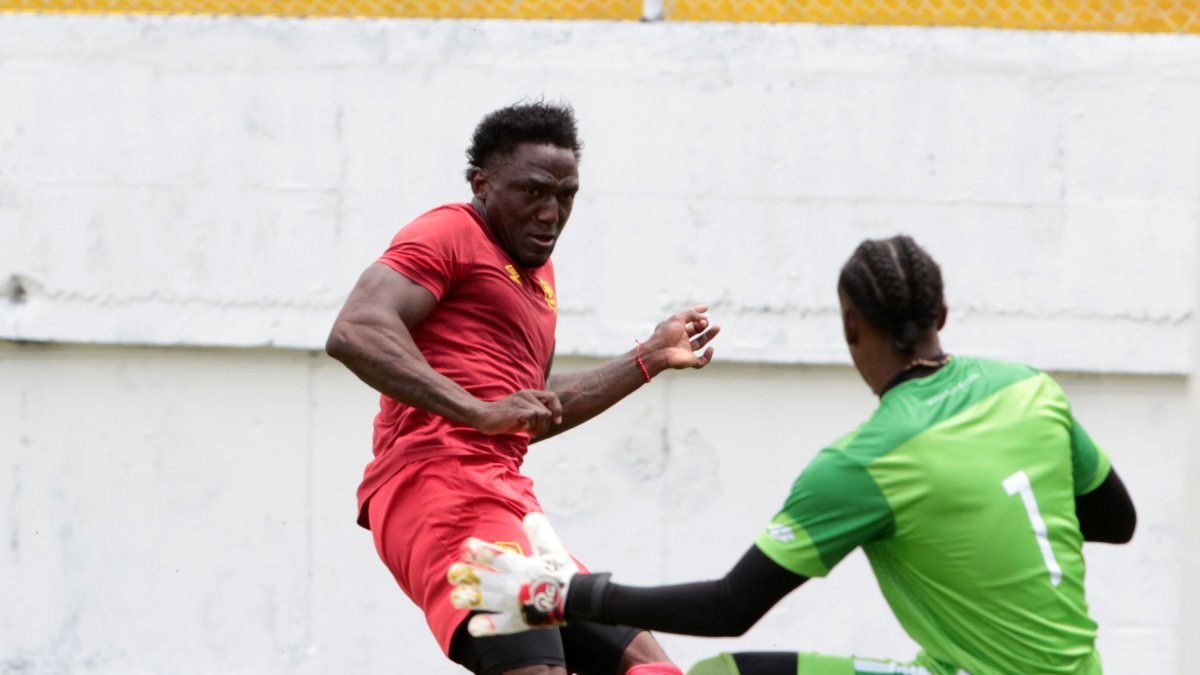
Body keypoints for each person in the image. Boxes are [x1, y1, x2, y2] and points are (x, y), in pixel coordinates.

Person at [449, 234, 1137, 675]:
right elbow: (1116, 521)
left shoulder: (865, 462)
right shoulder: (1030, 389)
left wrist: (561, 594)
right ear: (943, 315)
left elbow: (728, 605)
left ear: (849, 326)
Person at [325, 101, 720, 675]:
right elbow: (356, 330)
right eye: (533, 192)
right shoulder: (449, 231)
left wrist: (649, 357)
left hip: (505, 497)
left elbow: (533, 408)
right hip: (437, 489)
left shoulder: (537, 280)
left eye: (566, 196)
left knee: (649, 668)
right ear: (482, 184)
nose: (550, 213)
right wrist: (476, 410)